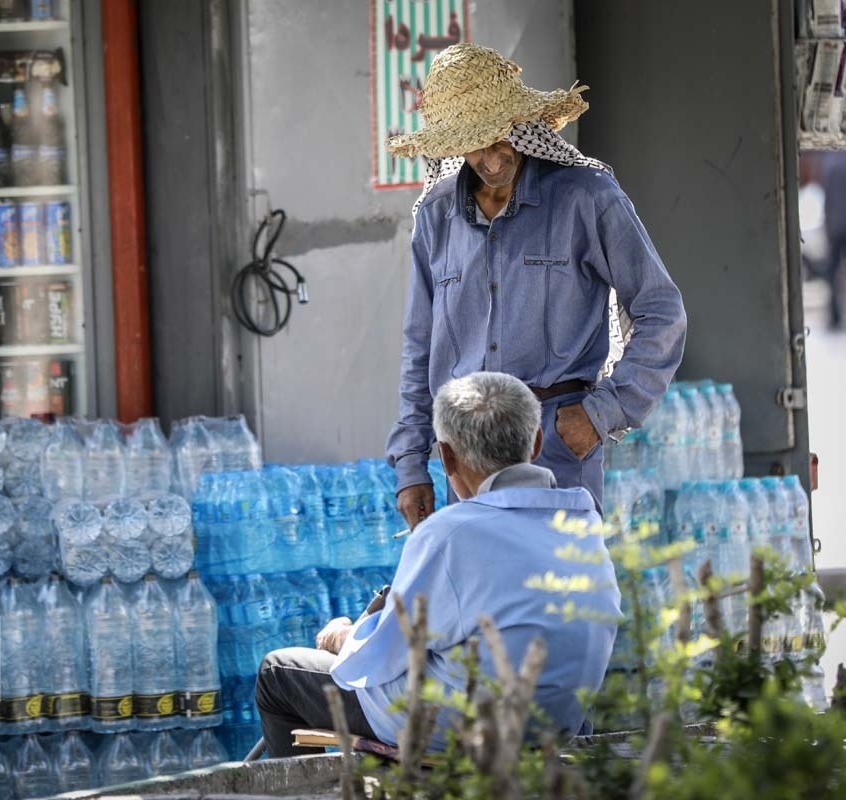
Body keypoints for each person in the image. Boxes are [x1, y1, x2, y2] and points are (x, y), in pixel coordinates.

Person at [385, 43, 687, 525]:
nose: (490, 158)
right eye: (473, 143)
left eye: (499, 137)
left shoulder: (586, 198)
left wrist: (604, 412)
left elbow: (661, 313)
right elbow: (419, 347)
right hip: (464, 455)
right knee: (484, 594)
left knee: (562, 592)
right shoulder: (436, 216)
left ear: (523, 124)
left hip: (558, 443)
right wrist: (411, 464)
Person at [255, 372, 621, 757]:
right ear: (537, 443)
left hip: (462, 729)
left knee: (278, 673)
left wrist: (341, 636)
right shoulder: (583, 520)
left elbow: (383, 655)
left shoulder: (450, 532)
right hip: (555, 722)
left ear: (445, 456)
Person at [819, 151, 846, 329]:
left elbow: (826, 199)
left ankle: (834, 316)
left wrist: (827, 225)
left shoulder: (829, 163)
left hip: (835, 224)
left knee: (833, 271)